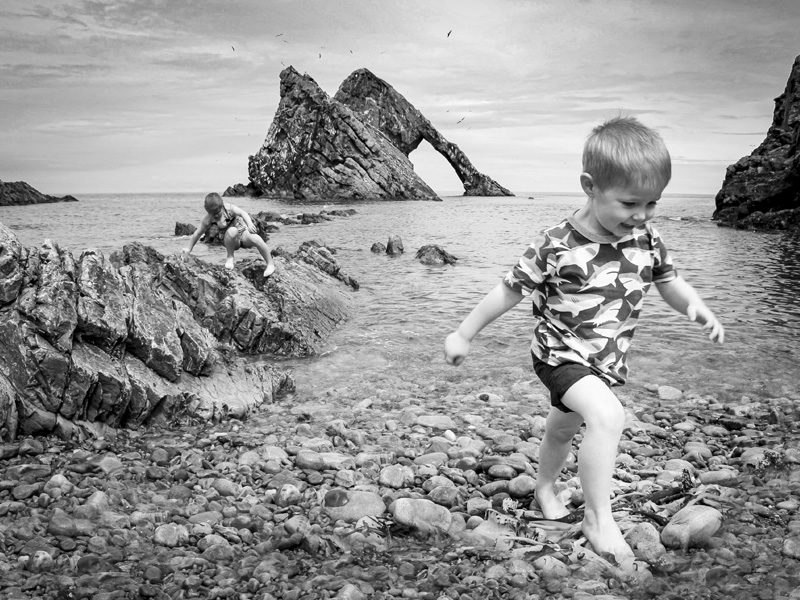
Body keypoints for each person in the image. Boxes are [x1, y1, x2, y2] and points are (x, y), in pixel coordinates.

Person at [443, 116, 724, 565]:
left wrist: (697, 307)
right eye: (630, 202)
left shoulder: (647, 237)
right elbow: (509, 290)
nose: (642, 215)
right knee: (608, 416)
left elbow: (669, 282)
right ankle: (598, 518)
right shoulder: (557, 243)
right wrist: (463, 332)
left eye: (653, 202)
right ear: (590, 186)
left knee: (562, 429)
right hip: (558, 355)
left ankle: (544, 487)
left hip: (605, 362)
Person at [183, 192, 276, 277]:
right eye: (212, 214)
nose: (215, 215)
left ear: (222, 206)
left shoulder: (229, 208)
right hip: (230, 240)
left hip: (243, 234)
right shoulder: (208, 219)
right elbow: (197, 234)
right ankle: (230, 258)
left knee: (256, 238)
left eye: (217, 213)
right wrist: (188, 249)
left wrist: (250, 224)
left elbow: (243, 213)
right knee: (232, 230)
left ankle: (270, 264)